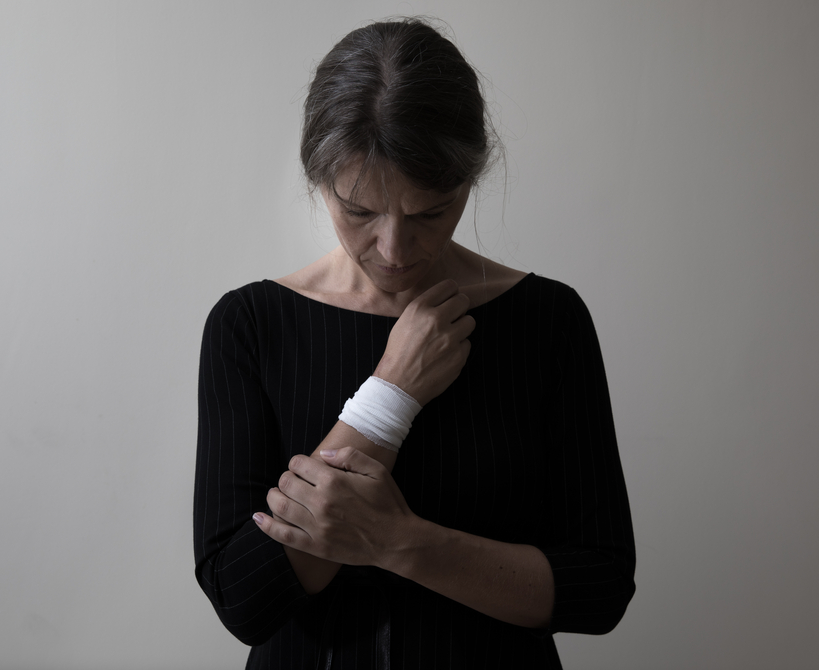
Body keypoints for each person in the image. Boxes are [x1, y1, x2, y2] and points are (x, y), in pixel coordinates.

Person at [194, 18, 635, 670]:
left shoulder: (548, 320)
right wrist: (388, 396)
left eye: (429, 212)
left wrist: (400, 543)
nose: (394, 251)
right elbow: (244, 598)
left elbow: (598, 590)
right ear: (319, 181)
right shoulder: (251, 324)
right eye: (361, 212)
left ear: (470, 178)